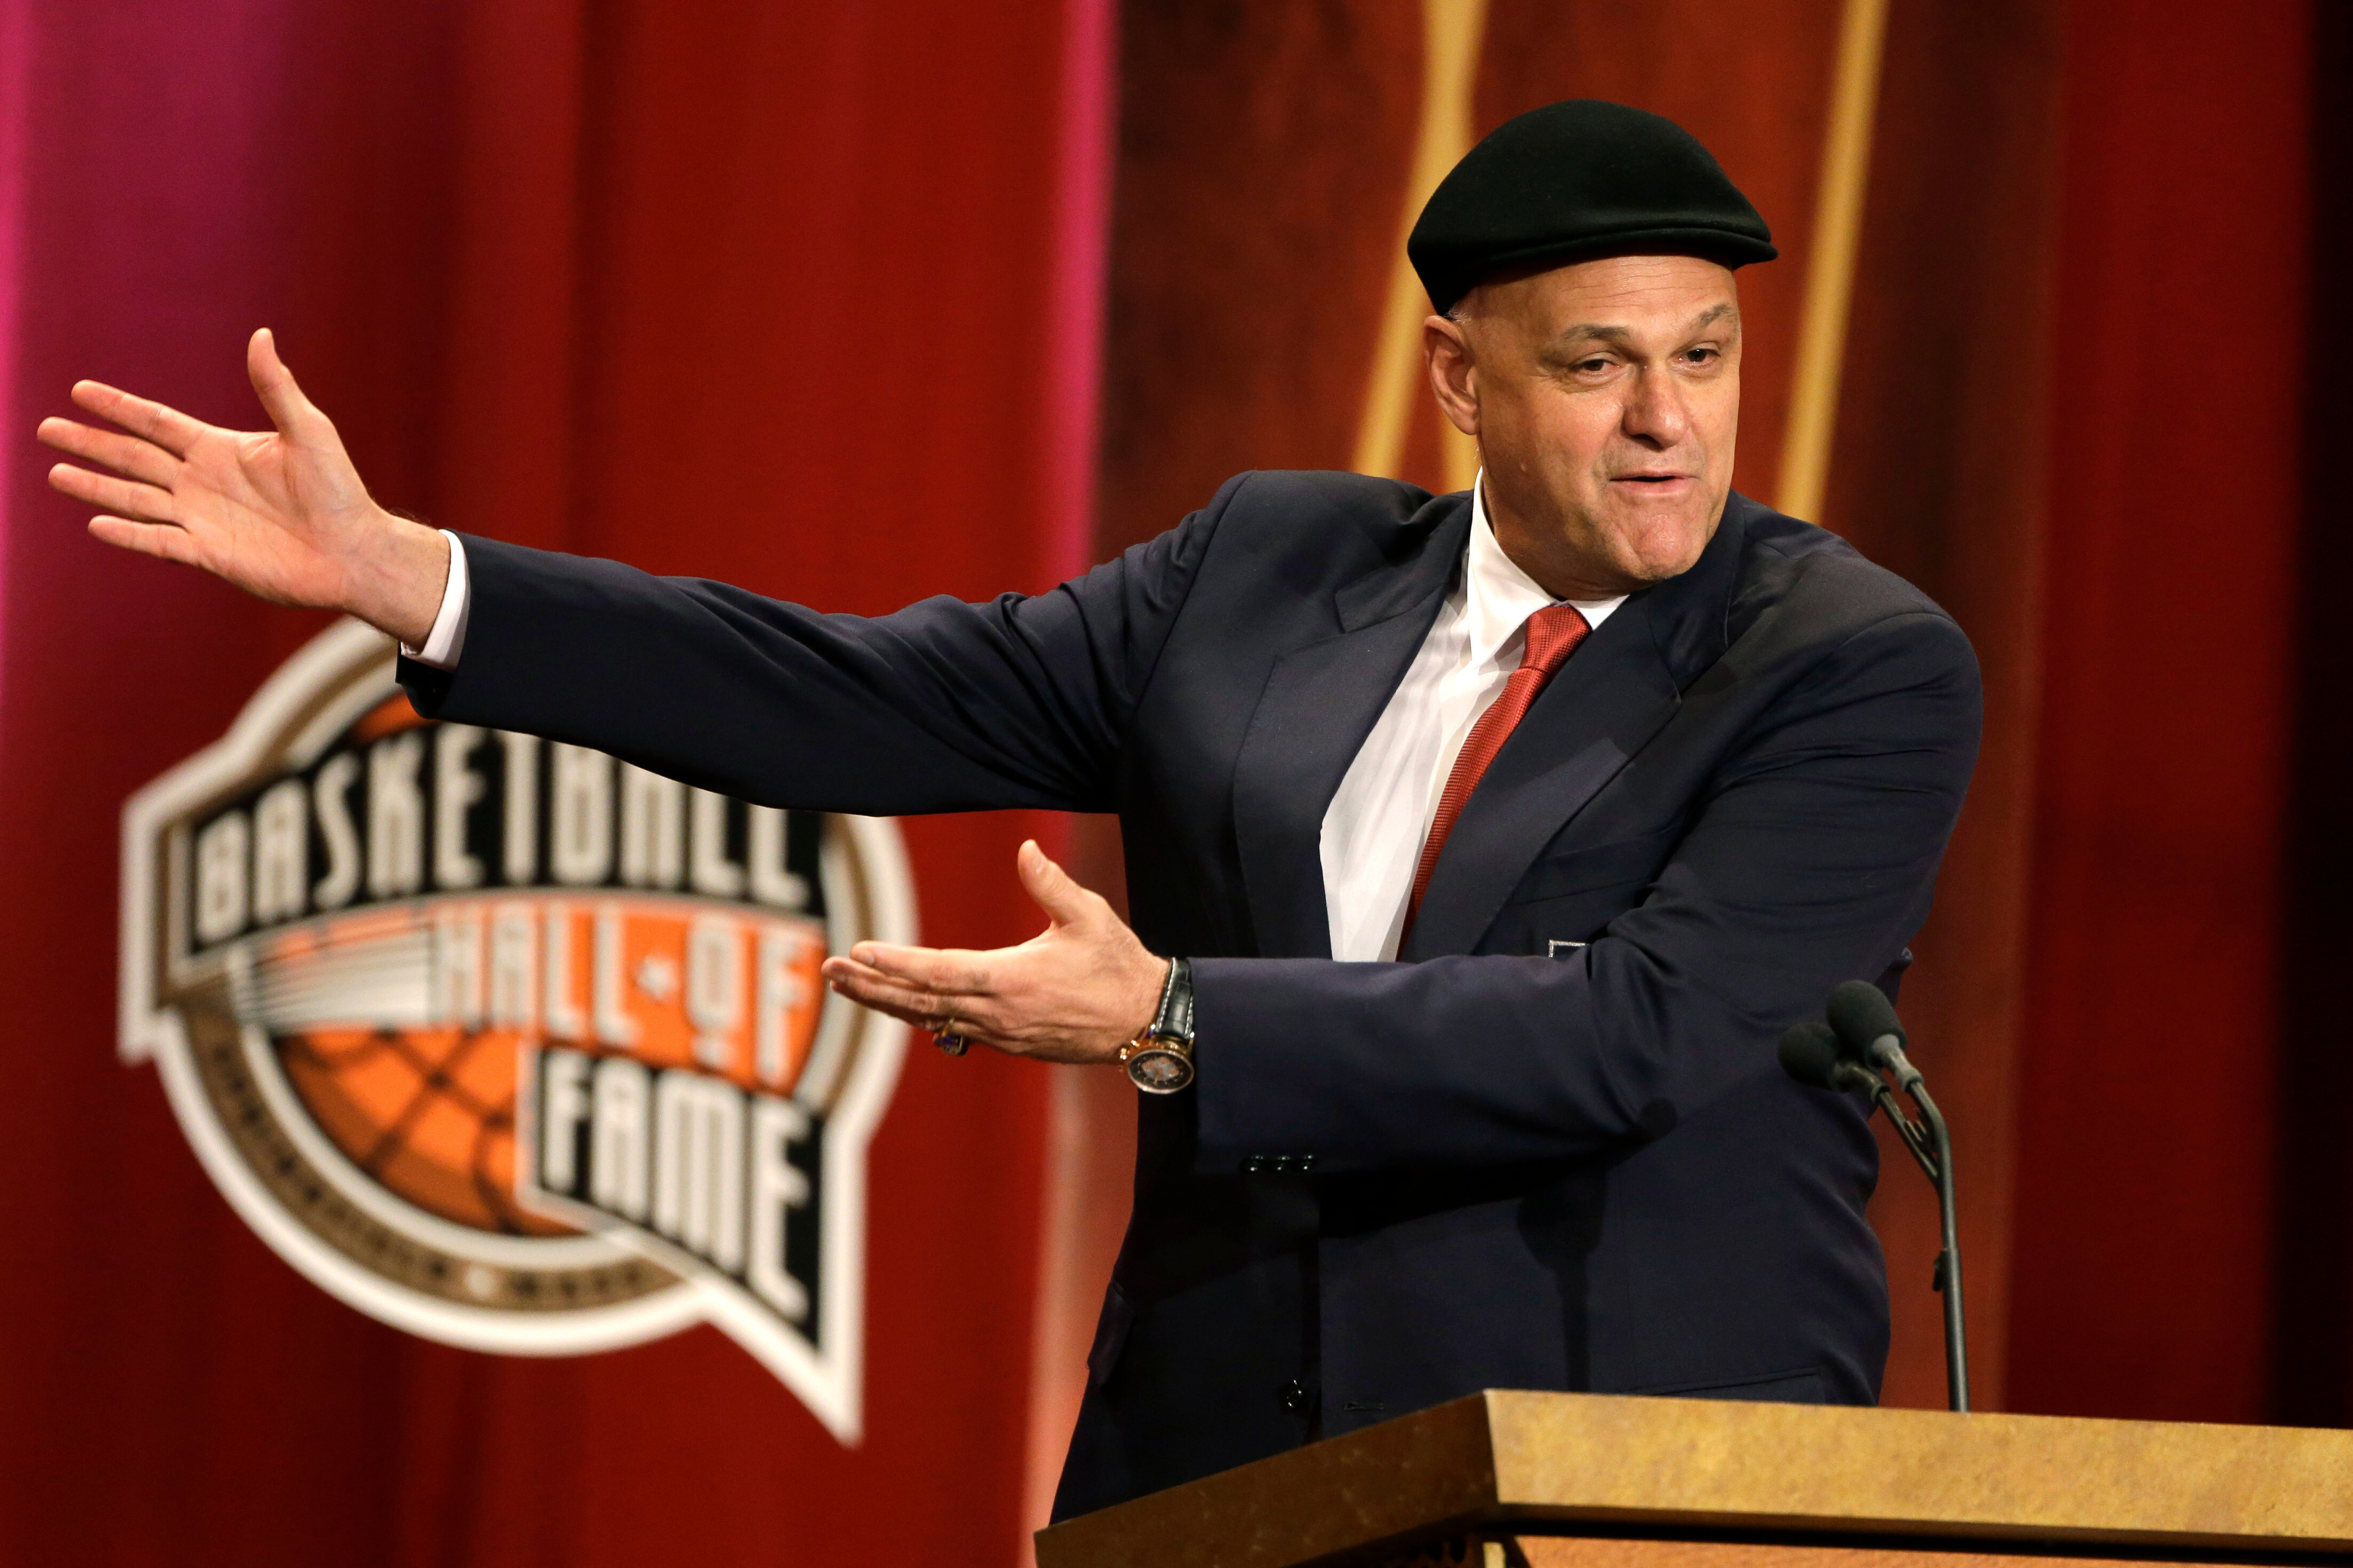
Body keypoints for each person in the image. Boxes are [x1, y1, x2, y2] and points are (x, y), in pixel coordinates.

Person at [40, 100, 1979, 1517]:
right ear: (1460, 381)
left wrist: (1175, 1021)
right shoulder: (1273, 567)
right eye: (1599, 364)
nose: (1669, 422)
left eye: (1705, 357)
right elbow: (861, 699)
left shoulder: (1848, 663)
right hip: (1226, 1470)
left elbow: (1625, 1033)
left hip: (1618, 1475)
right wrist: (421, 582)